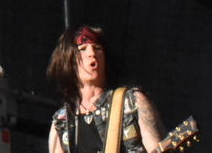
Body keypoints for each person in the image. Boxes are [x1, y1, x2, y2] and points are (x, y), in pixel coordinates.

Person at [46, 25, 166, 153]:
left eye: (97, 48)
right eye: (82, 49)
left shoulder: (131, 102)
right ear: (68, 61)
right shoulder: (62, 122)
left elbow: (156, 148)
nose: (92, 53)